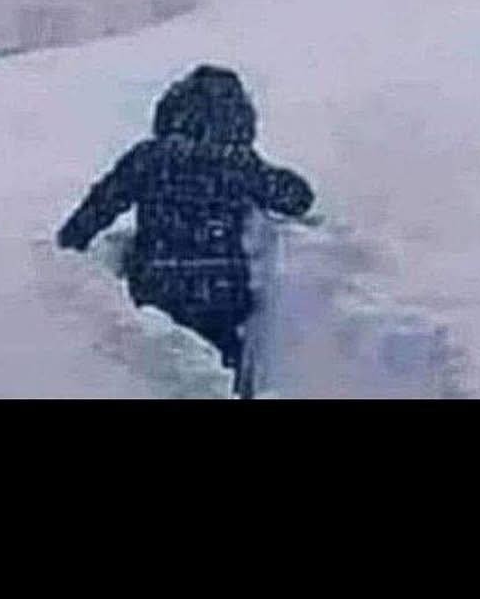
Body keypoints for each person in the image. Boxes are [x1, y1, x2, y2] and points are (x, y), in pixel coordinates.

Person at [56, 64, 314, 394]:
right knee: (221, 380)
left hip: (157, 285)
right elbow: (298, 198)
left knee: (156, 378)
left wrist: (64, 249)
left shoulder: (149, 158)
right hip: (221, 293)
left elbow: (98, 208)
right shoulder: (240, 165)